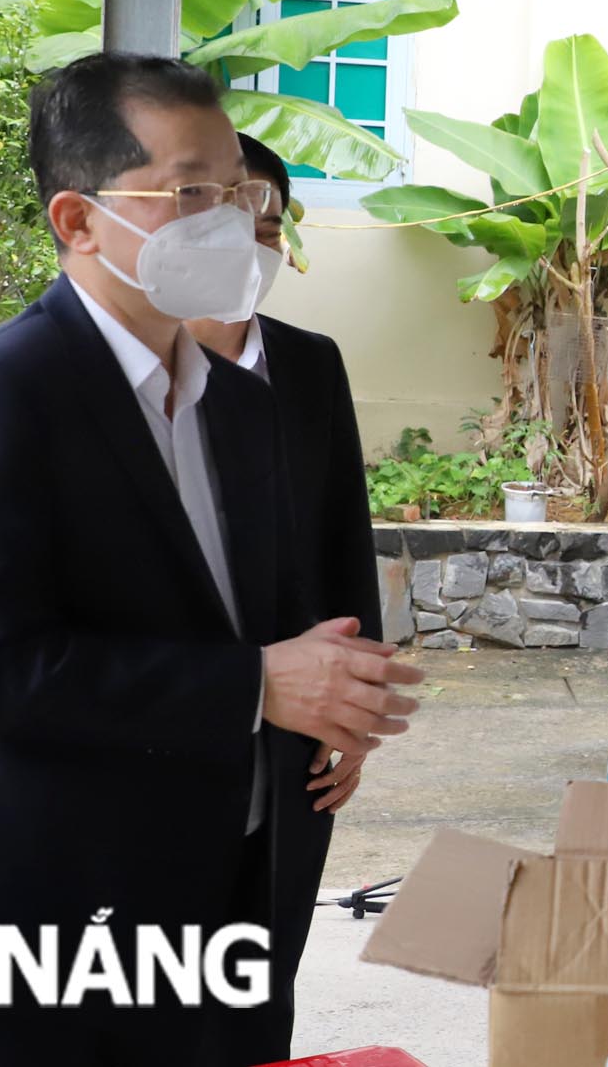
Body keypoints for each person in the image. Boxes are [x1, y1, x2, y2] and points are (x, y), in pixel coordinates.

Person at [0, 53, 425, 1067]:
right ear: (77, 221)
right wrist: (260, 684)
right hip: (37, 931)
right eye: (188, 192)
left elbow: (278, 611)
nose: (225, 221)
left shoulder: (242, 403)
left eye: (235, 191)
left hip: (227, 908)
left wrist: (335, 692)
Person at [186, 132, 381, 1058]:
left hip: (299, 745)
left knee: (265, 971)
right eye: (226, 208)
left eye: (267, 212)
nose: (249, 231)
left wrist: (358, 715)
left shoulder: (310, 363)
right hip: (177, 729)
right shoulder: (123, 385)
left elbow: (346, 540)